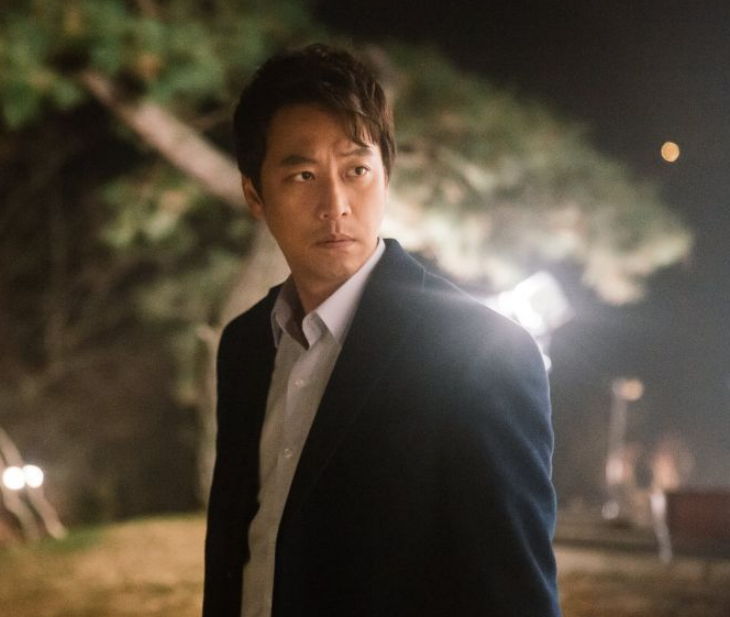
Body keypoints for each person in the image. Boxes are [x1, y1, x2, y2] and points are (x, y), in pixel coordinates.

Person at [203, 43, 560, 617]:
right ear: (254, 195)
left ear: (386, 177)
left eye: (357, 170)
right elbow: (235, 556)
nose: (335, 204)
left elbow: (515, 599)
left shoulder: (480, 355)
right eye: (302, 174)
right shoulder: (245, 345)